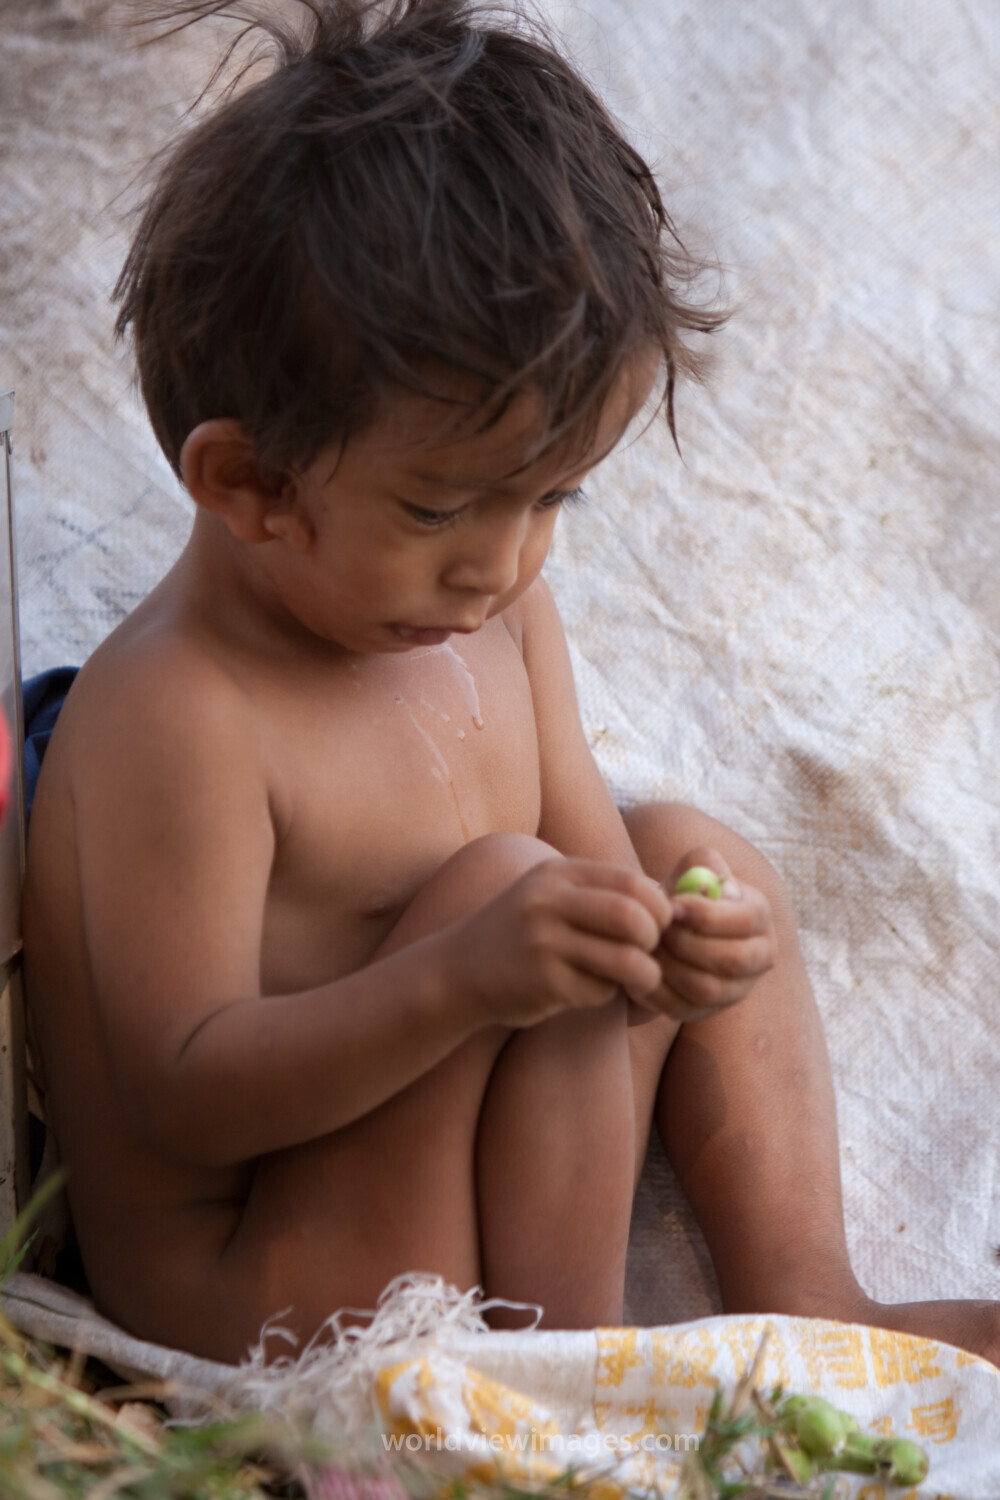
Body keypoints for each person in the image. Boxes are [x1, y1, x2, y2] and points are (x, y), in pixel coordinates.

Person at [22, 0, 999, 1366]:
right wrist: (459, 979)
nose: (505, 564)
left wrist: (674, 950)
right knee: (500, 888)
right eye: (440, 512)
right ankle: (574, 1371)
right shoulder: (182, 713)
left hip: (483, 1169)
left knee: (687, 850)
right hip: (262, 1276)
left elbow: (595, 907)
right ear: (248, 484)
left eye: (558, 499)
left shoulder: (500, 609)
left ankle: (807, 1297)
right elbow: (184, 1098)